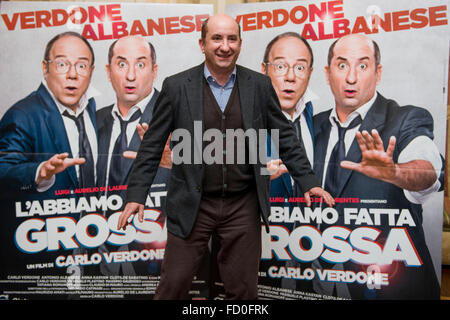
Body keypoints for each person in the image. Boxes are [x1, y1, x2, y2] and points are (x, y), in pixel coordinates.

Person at [116, 14, 334, 300]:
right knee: (173, 287)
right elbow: (152, 146)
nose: (224, 45)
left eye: (231, 38)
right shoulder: (177, 86)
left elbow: (285, 136)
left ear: (240, 44)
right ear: (202, 44)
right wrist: (136, 195)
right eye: (216, 38)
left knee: (243, 292)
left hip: (242, 206)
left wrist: (308, 180)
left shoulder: (259, 85)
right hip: (192, 203)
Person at [312, 34, 441, 299]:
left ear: (378, 72)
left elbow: (429, 169)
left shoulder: (407, 118)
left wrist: (396, 173)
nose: (351, 78)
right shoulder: (310, 127)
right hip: (319, 283)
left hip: (392, 288)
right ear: (327, 73)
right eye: (341, 65)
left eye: (362, 66)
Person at [0, 31, 97, 275]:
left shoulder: (95, 111)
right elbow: (3, 168)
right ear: (45, 68)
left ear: (92, 71)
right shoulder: (23, 114)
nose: (73, 74)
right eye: (62, 64)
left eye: (82, 65)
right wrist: (38, 172)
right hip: (42, 253)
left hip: (91, 246)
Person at [94, 35, 171, 277]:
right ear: (108, 71)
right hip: (97, 252)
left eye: (140, 64)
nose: (130, 75)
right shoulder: (92, 122)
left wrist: (174, 164)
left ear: (154, 70)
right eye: (121, 64)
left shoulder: (179, 116)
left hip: (158, 256)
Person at [260, 32, 317, 293]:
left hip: (317, 267)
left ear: (310, 72)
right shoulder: (237, 126)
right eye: (280, 66)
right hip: (257, 268)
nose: (290, 76)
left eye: (300, 67)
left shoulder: (324, 124)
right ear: (264, 70)